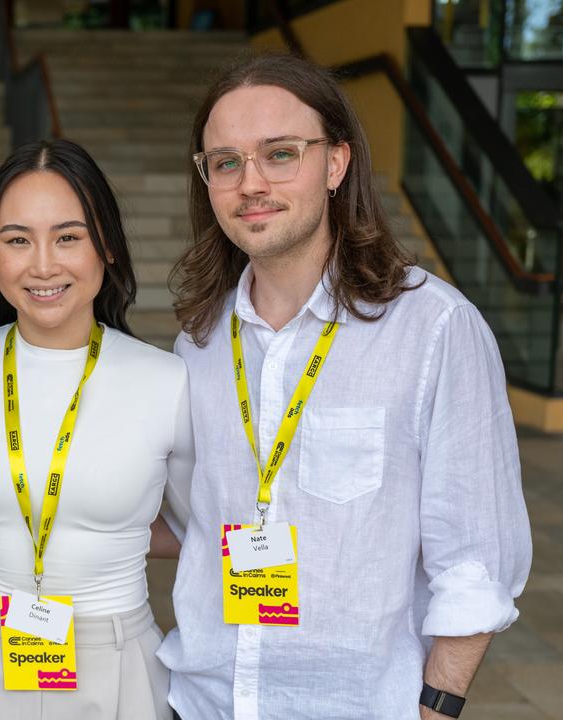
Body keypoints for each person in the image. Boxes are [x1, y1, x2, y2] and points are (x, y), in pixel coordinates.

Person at [157, 54, 532, 719]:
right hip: (204, 700)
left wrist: (436, 707)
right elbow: (192, 520)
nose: (251, 184)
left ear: (336, 163)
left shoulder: (435, 330)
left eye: (280, 154)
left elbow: (476, 557)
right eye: (225, 162)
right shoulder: (200, 343)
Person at [0, 138, 194, 719]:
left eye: (69, 237)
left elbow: (199, 526)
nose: (43, 265)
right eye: (17, 239)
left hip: (118, 663)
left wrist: (113, 535)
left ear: (108, 249)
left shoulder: (167, 381)